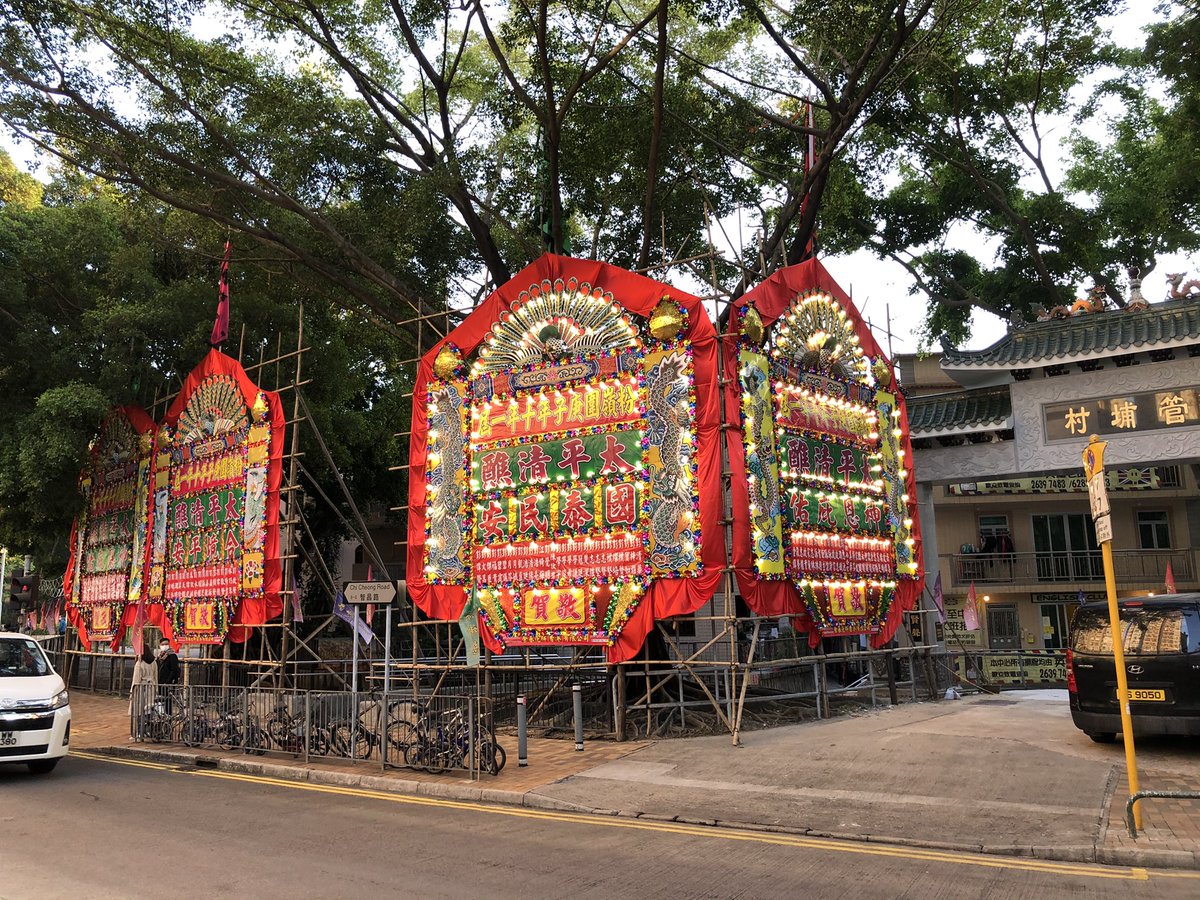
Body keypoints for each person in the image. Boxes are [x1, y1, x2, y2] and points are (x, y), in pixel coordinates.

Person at [129, 646, 158, 740]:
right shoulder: (154, 662)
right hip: (151, 688)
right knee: (148, 710)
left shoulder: (139, 663)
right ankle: (148, 731)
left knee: (139, 712)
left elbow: (136, 679)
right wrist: (156, 689)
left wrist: (132, 692)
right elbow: (156, 676)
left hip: (141, 689)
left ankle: (139, 733)